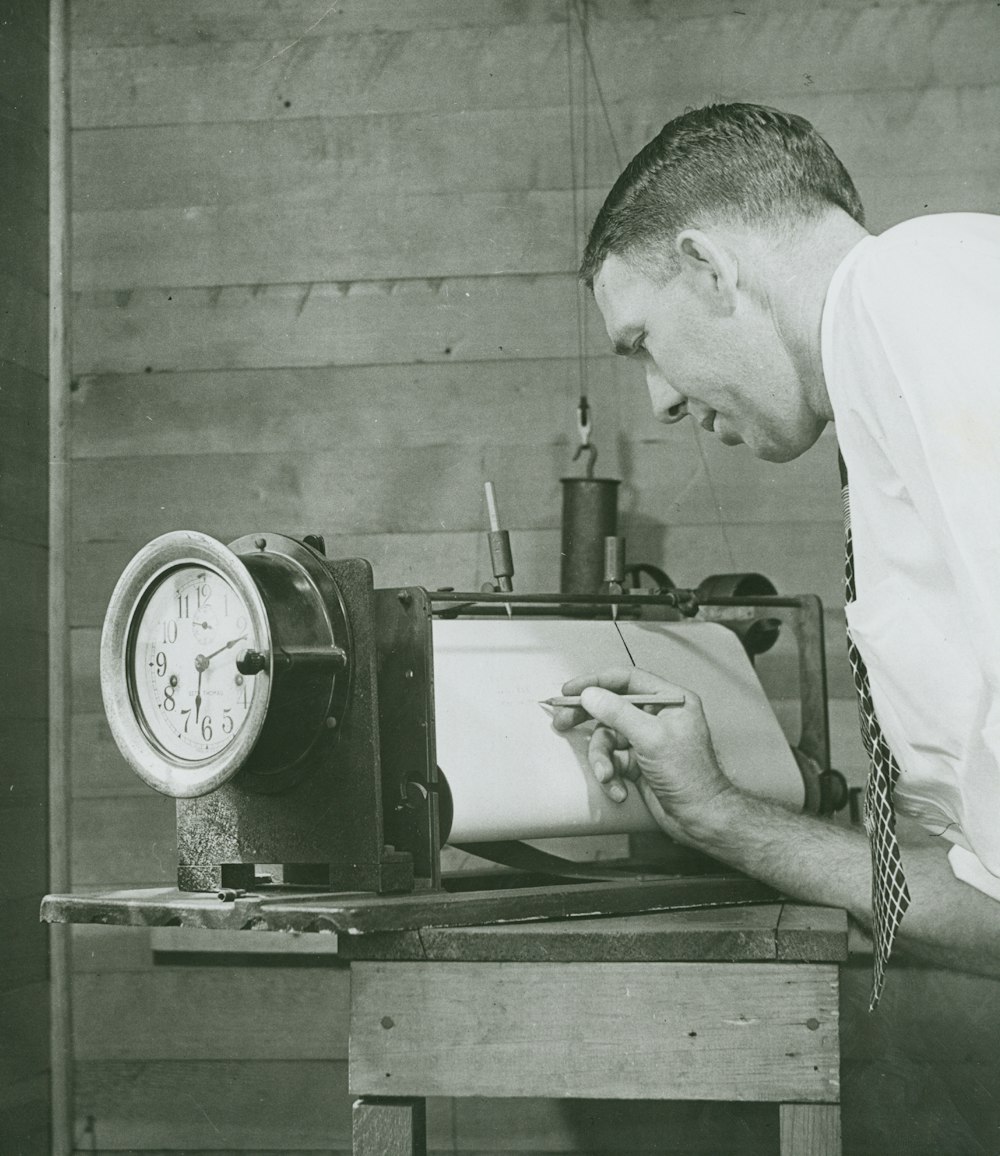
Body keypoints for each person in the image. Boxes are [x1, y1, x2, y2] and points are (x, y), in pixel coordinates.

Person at [553, 102, 1000, 998]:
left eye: (642, 343)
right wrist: (715, 812)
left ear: (709, 269)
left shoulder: (912, 285)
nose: (661, 404)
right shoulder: (888, 364)